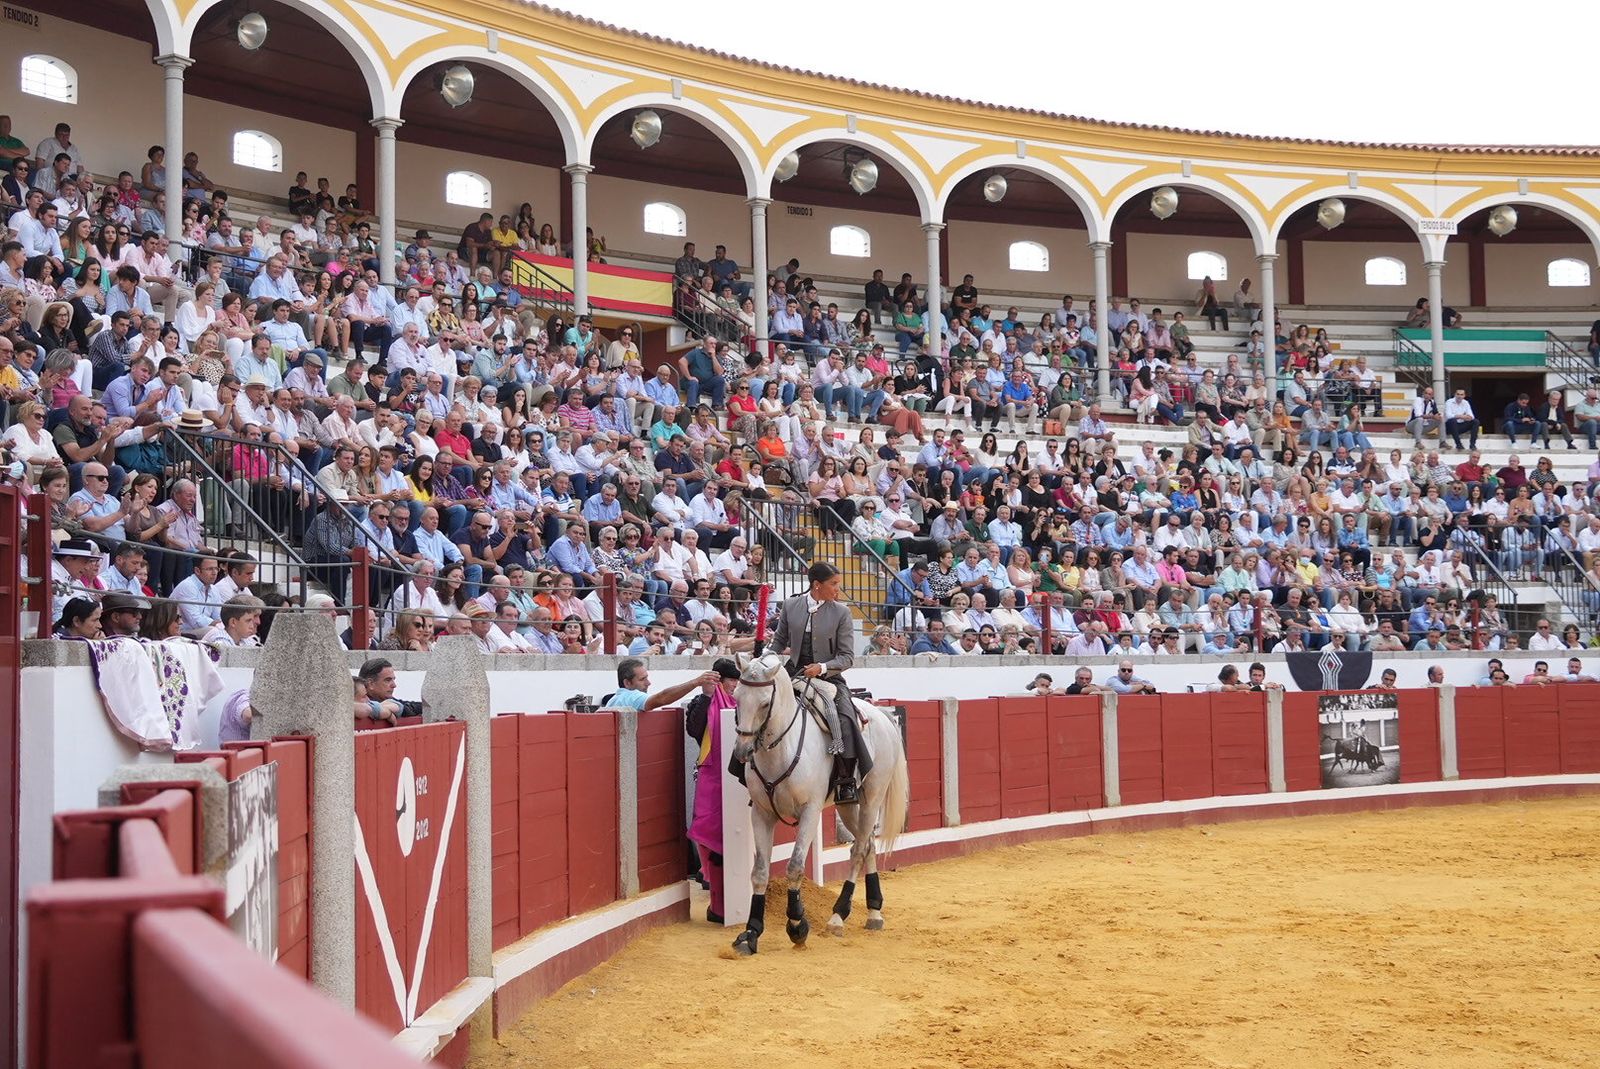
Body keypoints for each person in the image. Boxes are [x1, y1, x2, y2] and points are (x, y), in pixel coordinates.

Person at [771, 561, 867, 803]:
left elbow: (846, 657)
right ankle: (747, 770)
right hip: (793, 673)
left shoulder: (842, 612)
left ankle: (846, 780)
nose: (837, 589)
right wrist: (765, 658)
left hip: (828, 676)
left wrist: (822, 667)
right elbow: (779, 641)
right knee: (761, 706)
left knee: (846, 718)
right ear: (817, 585)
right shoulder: (791, 605)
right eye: (833, 584)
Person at [686, 657, 739, 924]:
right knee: (714, 840)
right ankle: (717, 902)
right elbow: (694, 729)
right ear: (719, 680)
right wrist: (707, 696)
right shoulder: (703, 702)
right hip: (712, 780)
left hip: (739, 781)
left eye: (737, 680)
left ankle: (726, 903)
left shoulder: (743, 703)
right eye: (731, 680)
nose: (735, 685)